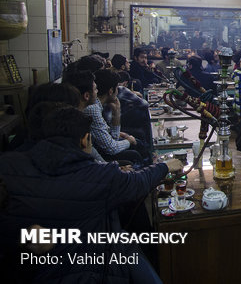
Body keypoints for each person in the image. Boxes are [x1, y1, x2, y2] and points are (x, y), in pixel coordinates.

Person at [0, 106, 182, 283]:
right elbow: (138, 183)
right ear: (85, 140)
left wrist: (20, 236)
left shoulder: (8, 165)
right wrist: (165, 166)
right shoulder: (99, 176)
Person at [83, 69, 145, 164]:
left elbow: (113, 137)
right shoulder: (93, 108)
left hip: (102, 149)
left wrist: (116, 112)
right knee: (134, 152)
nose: (96, 91)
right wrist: (129, 141)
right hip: (99, 155)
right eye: (95, 89)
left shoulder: (100, 104)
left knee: (138, 142)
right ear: (111, 91)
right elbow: (111, 148)